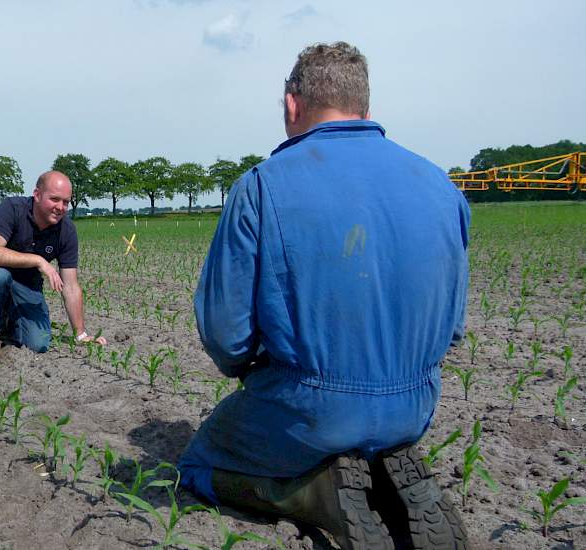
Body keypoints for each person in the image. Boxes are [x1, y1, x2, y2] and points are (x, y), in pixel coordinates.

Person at [177, 42, 470, 550]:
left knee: (195, 465)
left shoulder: (261, 187)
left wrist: (255, 370)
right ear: (366, 108)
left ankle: (313, 491)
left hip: (309, 410)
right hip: (414, 407)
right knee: (364, 424)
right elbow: (453, 327)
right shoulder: (442, 185)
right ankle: (378, 471)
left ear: (291, 104)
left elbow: (226, 337)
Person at [0, 171, 106, 365]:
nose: (60, 207)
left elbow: (71, 286)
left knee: (38, 343)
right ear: (37, 195)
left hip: (26, 284)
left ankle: (9, 320)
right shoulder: (13, 208)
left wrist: (81, 335)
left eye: (66, 202)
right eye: (55, 199)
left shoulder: (66, 230)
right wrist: (39, 260)